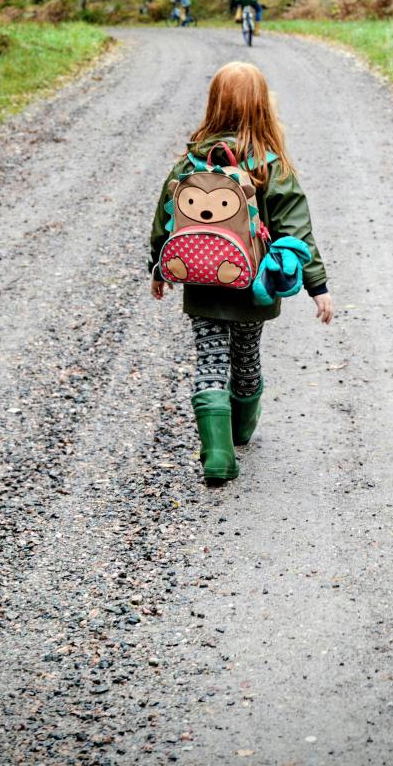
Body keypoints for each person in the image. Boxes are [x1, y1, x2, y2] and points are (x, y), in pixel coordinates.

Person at [149, 61, 333, 486]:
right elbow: (296, 233)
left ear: (214, 103)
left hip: (200, 282)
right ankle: (239, 431)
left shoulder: (192, 162)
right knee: (246, 356)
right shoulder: (270, 166)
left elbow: (165, 220)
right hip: (254, 289)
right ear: (262, 107)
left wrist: (159, 266)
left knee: (209, 358)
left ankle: (217, 456)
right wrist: (317, 286)